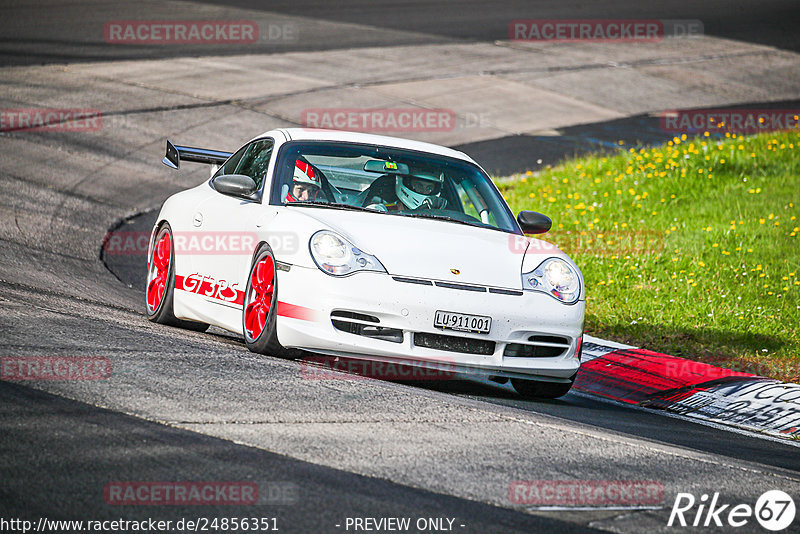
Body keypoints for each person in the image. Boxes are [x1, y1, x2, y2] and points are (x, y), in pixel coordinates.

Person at [365, 170, 448, 211]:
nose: (424, 191)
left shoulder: (439, 217)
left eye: (429, 188)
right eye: (419, 186)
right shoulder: (383, 210)